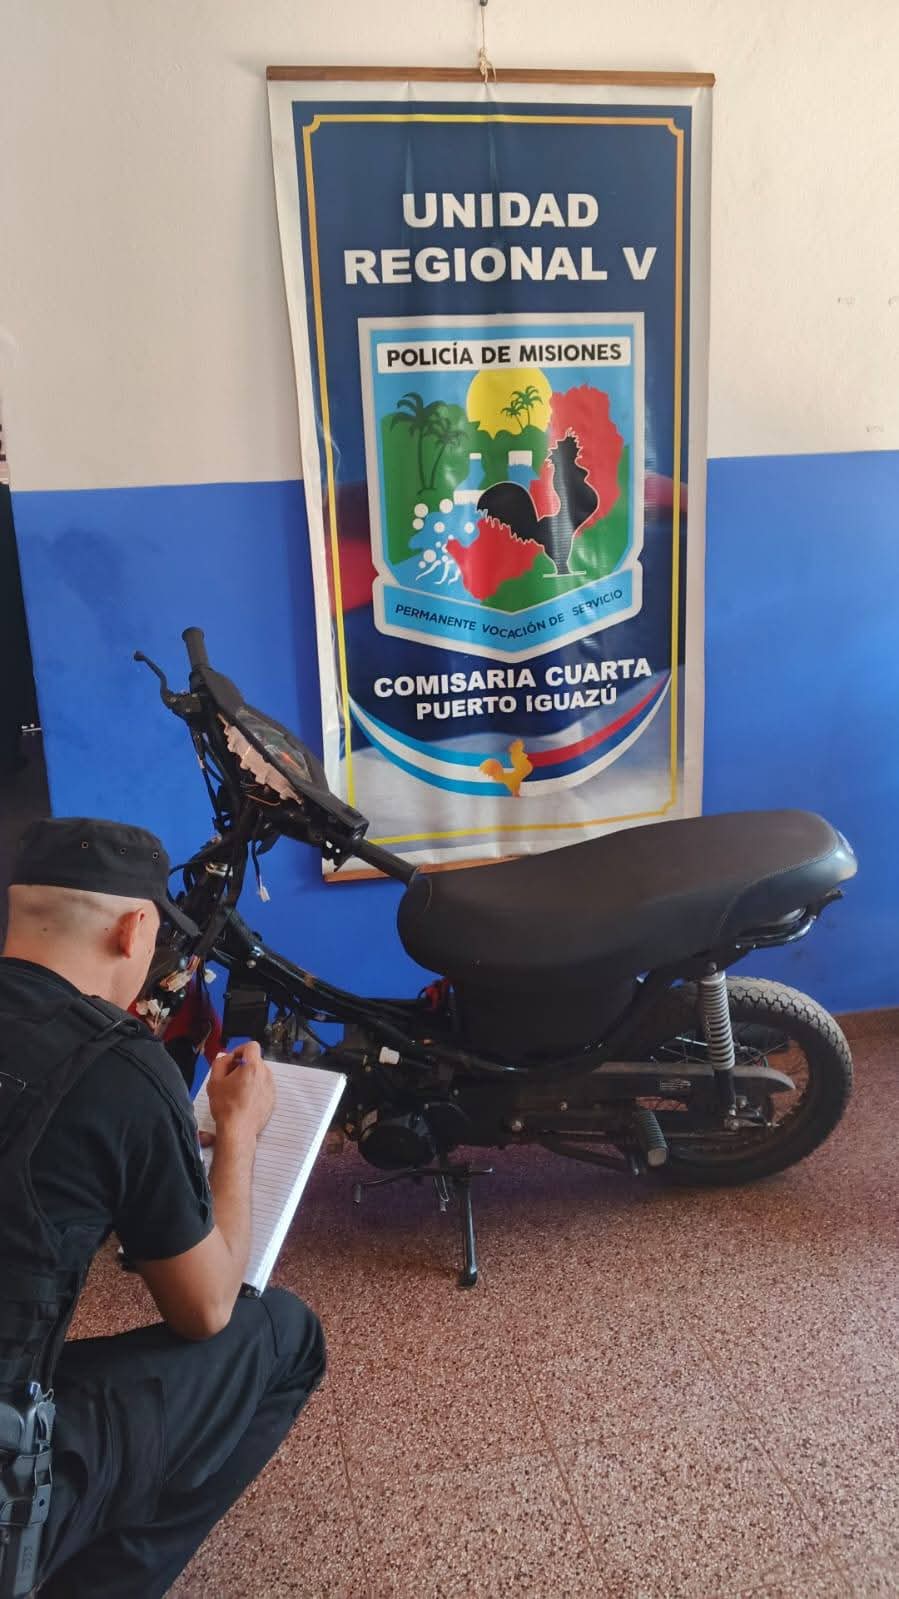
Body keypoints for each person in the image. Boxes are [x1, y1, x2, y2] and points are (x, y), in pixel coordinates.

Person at [0, 817, 325, 1597]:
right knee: (282, 1335)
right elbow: (206, 1308)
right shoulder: (116, 1067)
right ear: (133, 929)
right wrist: (237, 1133)